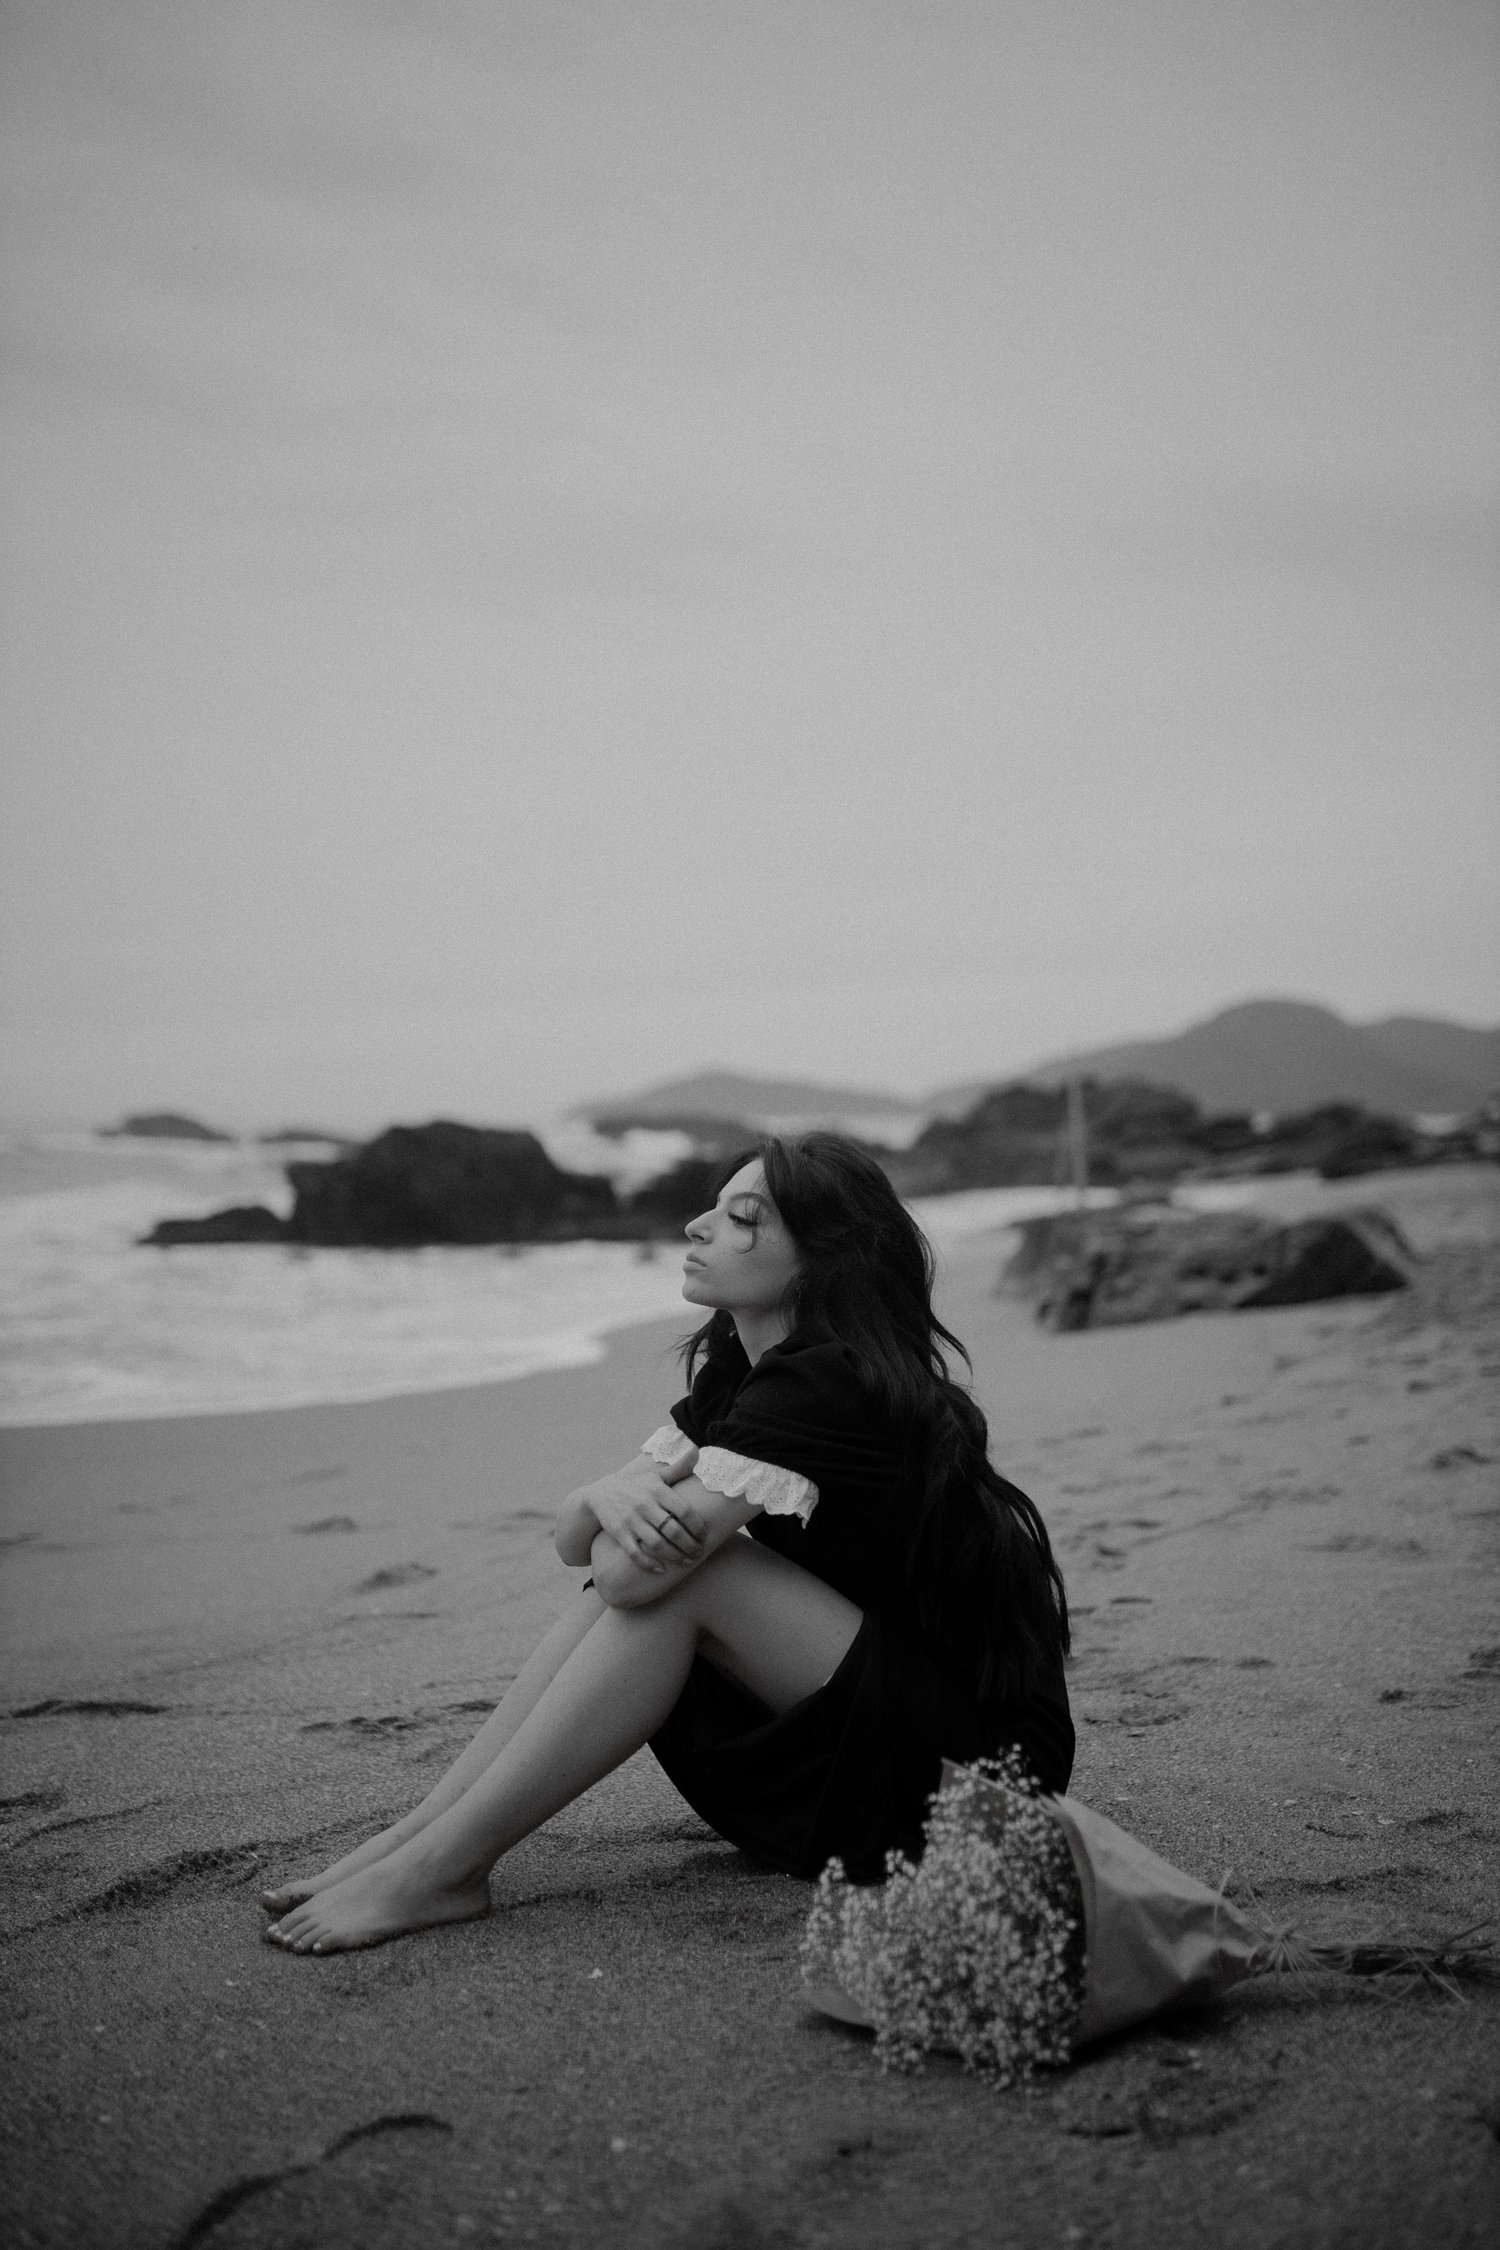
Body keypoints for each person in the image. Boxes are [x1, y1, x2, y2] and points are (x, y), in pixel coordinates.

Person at [261, 1134, 1073, 1955]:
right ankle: (419, 1839)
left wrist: (611, 1511)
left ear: (823, 1258)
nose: (696, 1225)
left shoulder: (828, 1382)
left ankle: (446, 1864)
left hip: (984, 1785)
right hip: (886, 1729)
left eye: (741, 1217)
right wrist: (596, 1495)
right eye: (713, 1208)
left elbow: (622, 1573)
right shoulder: (742, 1373)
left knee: (690, 1577)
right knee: (671, 1566)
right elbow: (575, 1543)